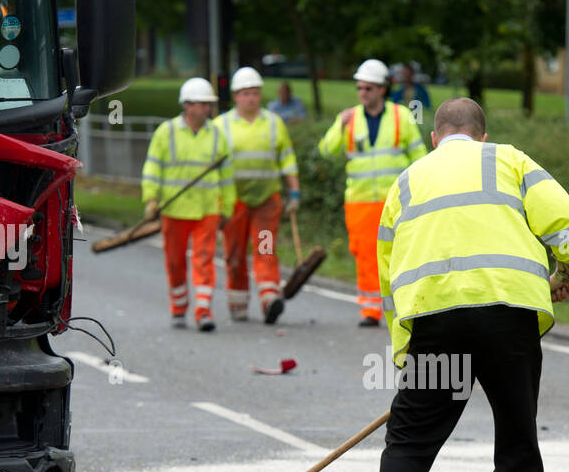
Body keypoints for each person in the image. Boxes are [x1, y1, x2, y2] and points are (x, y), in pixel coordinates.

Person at [331, 96, 569, 472]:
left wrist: (406, 350)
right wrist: (568, 267)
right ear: (481, 135)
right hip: (508, 318)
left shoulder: (407, 181)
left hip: (435, 321)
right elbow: (566, 221)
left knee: (409, 441)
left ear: (434, 138)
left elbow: (390, 278)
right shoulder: (509, 159)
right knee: (516, 444)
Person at [318, 58, 426, 325]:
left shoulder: (402, 116)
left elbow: (420, 158)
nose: (362, 93)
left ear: (382, 89)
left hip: (397, 200)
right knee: (365, 254)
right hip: (360, 201)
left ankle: (404, 307)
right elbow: (326, 150)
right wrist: (338, 125)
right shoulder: (349, 118)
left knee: (403, 253)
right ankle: (370, 310)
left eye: (368, 88)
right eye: (360, 88)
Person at [140, 78, 234, 332]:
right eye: (204, 104)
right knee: (175, 261)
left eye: (209, 104)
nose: (208, 109)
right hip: (174, 210)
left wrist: (227, 208)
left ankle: (204, 311)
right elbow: (152, 169)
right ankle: (179, 308)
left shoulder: (217, 135)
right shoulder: (166, 133)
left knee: (204, 259)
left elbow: (227, 177)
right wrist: (151, 199)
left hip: (207, 210)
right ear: (188, 106)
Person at [215, 66, 300, 324]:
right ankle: (238, 302)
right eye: (245, 93)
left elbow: (286, 159)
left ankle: (269, 298)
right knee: (235, 253)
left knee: (265, 249)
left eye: (254, 93)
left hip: (265, 201)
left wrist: (294, 192)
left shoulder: (274, 123)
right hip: (234, 203)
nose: (250, 98)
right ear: (236, 96)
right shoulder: (221, 126)